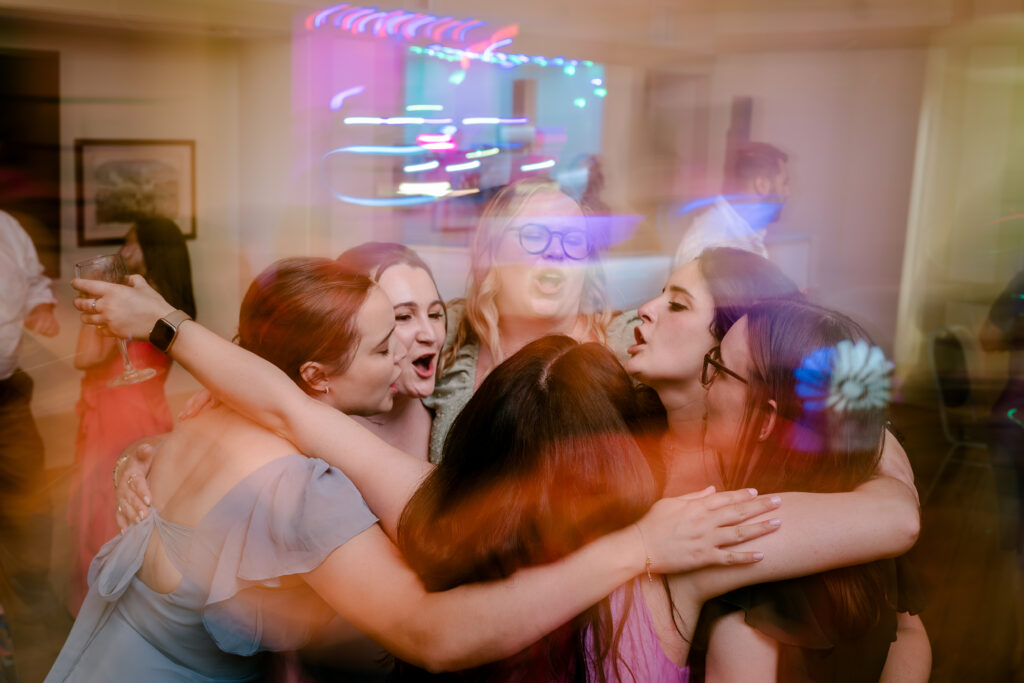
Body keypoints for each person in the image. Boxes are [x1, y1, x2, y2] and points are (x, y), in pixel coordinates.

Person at [85, 261, 920, 682]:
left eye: (681, 310)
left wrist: (164, 325)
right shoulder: (684, 535)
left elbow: (288, 408)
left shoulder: (447, 506)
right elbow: (889, 517)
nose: (647, 313)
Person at [689, 300, 930, 681]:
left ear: (767, 419)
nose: (704, 383)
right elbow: (911, 633)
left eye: (718, 367)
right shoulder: (864, 533)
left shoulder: (747, 578)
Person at [426, 177, 635, 462]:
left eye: (573, 240)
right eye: (535, 235)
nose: (555, 251)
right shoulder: (443, 333)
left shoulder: (632, 344)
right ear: (492, 252)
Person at [69, 215, 195, 611]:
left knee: (106, 510)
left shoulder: (132, 300)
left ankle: (104, 604)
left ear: (153, 249)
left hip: (118, 417)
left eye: (131, 244)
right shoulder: (170, 298)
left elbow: (85, 357)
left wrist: (100, 298)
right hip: (150, 412)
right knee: (141, 508)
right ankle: (139, 601)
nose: (124, 252)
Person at [0, 209, 70, 683]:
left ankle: (32, 614)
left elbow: (33, 281)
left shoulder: (7, 226)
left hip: (8, 394)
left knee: (31, 509)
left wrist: (41, 306)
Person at [336, 242, 445, 461]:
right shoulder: (324, 427)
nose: (430, 335)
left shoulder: (451, 414)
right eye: (404, 317)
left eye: (434, 315)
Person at [673, 142, 790, 267]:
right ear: (761, 185)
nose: (788, 193)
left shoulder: (743, 235)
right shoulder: (715, 243)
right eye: (784, 183)